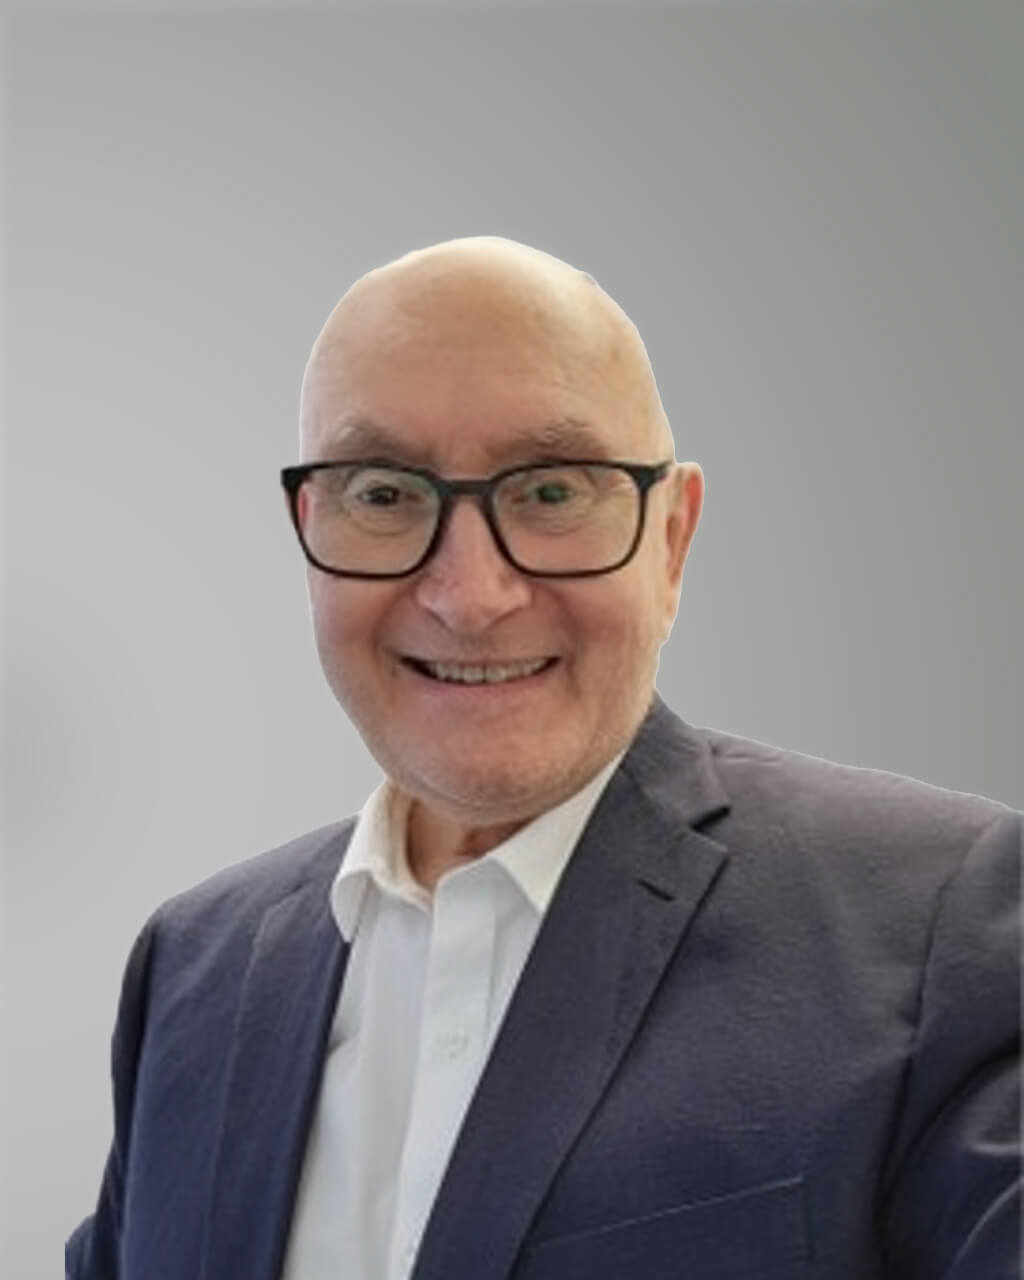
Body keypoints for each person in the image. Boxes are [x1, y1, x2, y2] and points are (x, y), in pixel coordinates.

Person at [66, 236, 1020, 1280]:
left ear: (671, 540)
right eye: (383, 494)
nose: (469, 595)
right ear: (309, 530)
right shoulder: (193, 966)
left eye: (552, 492)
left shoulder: (941, 923)